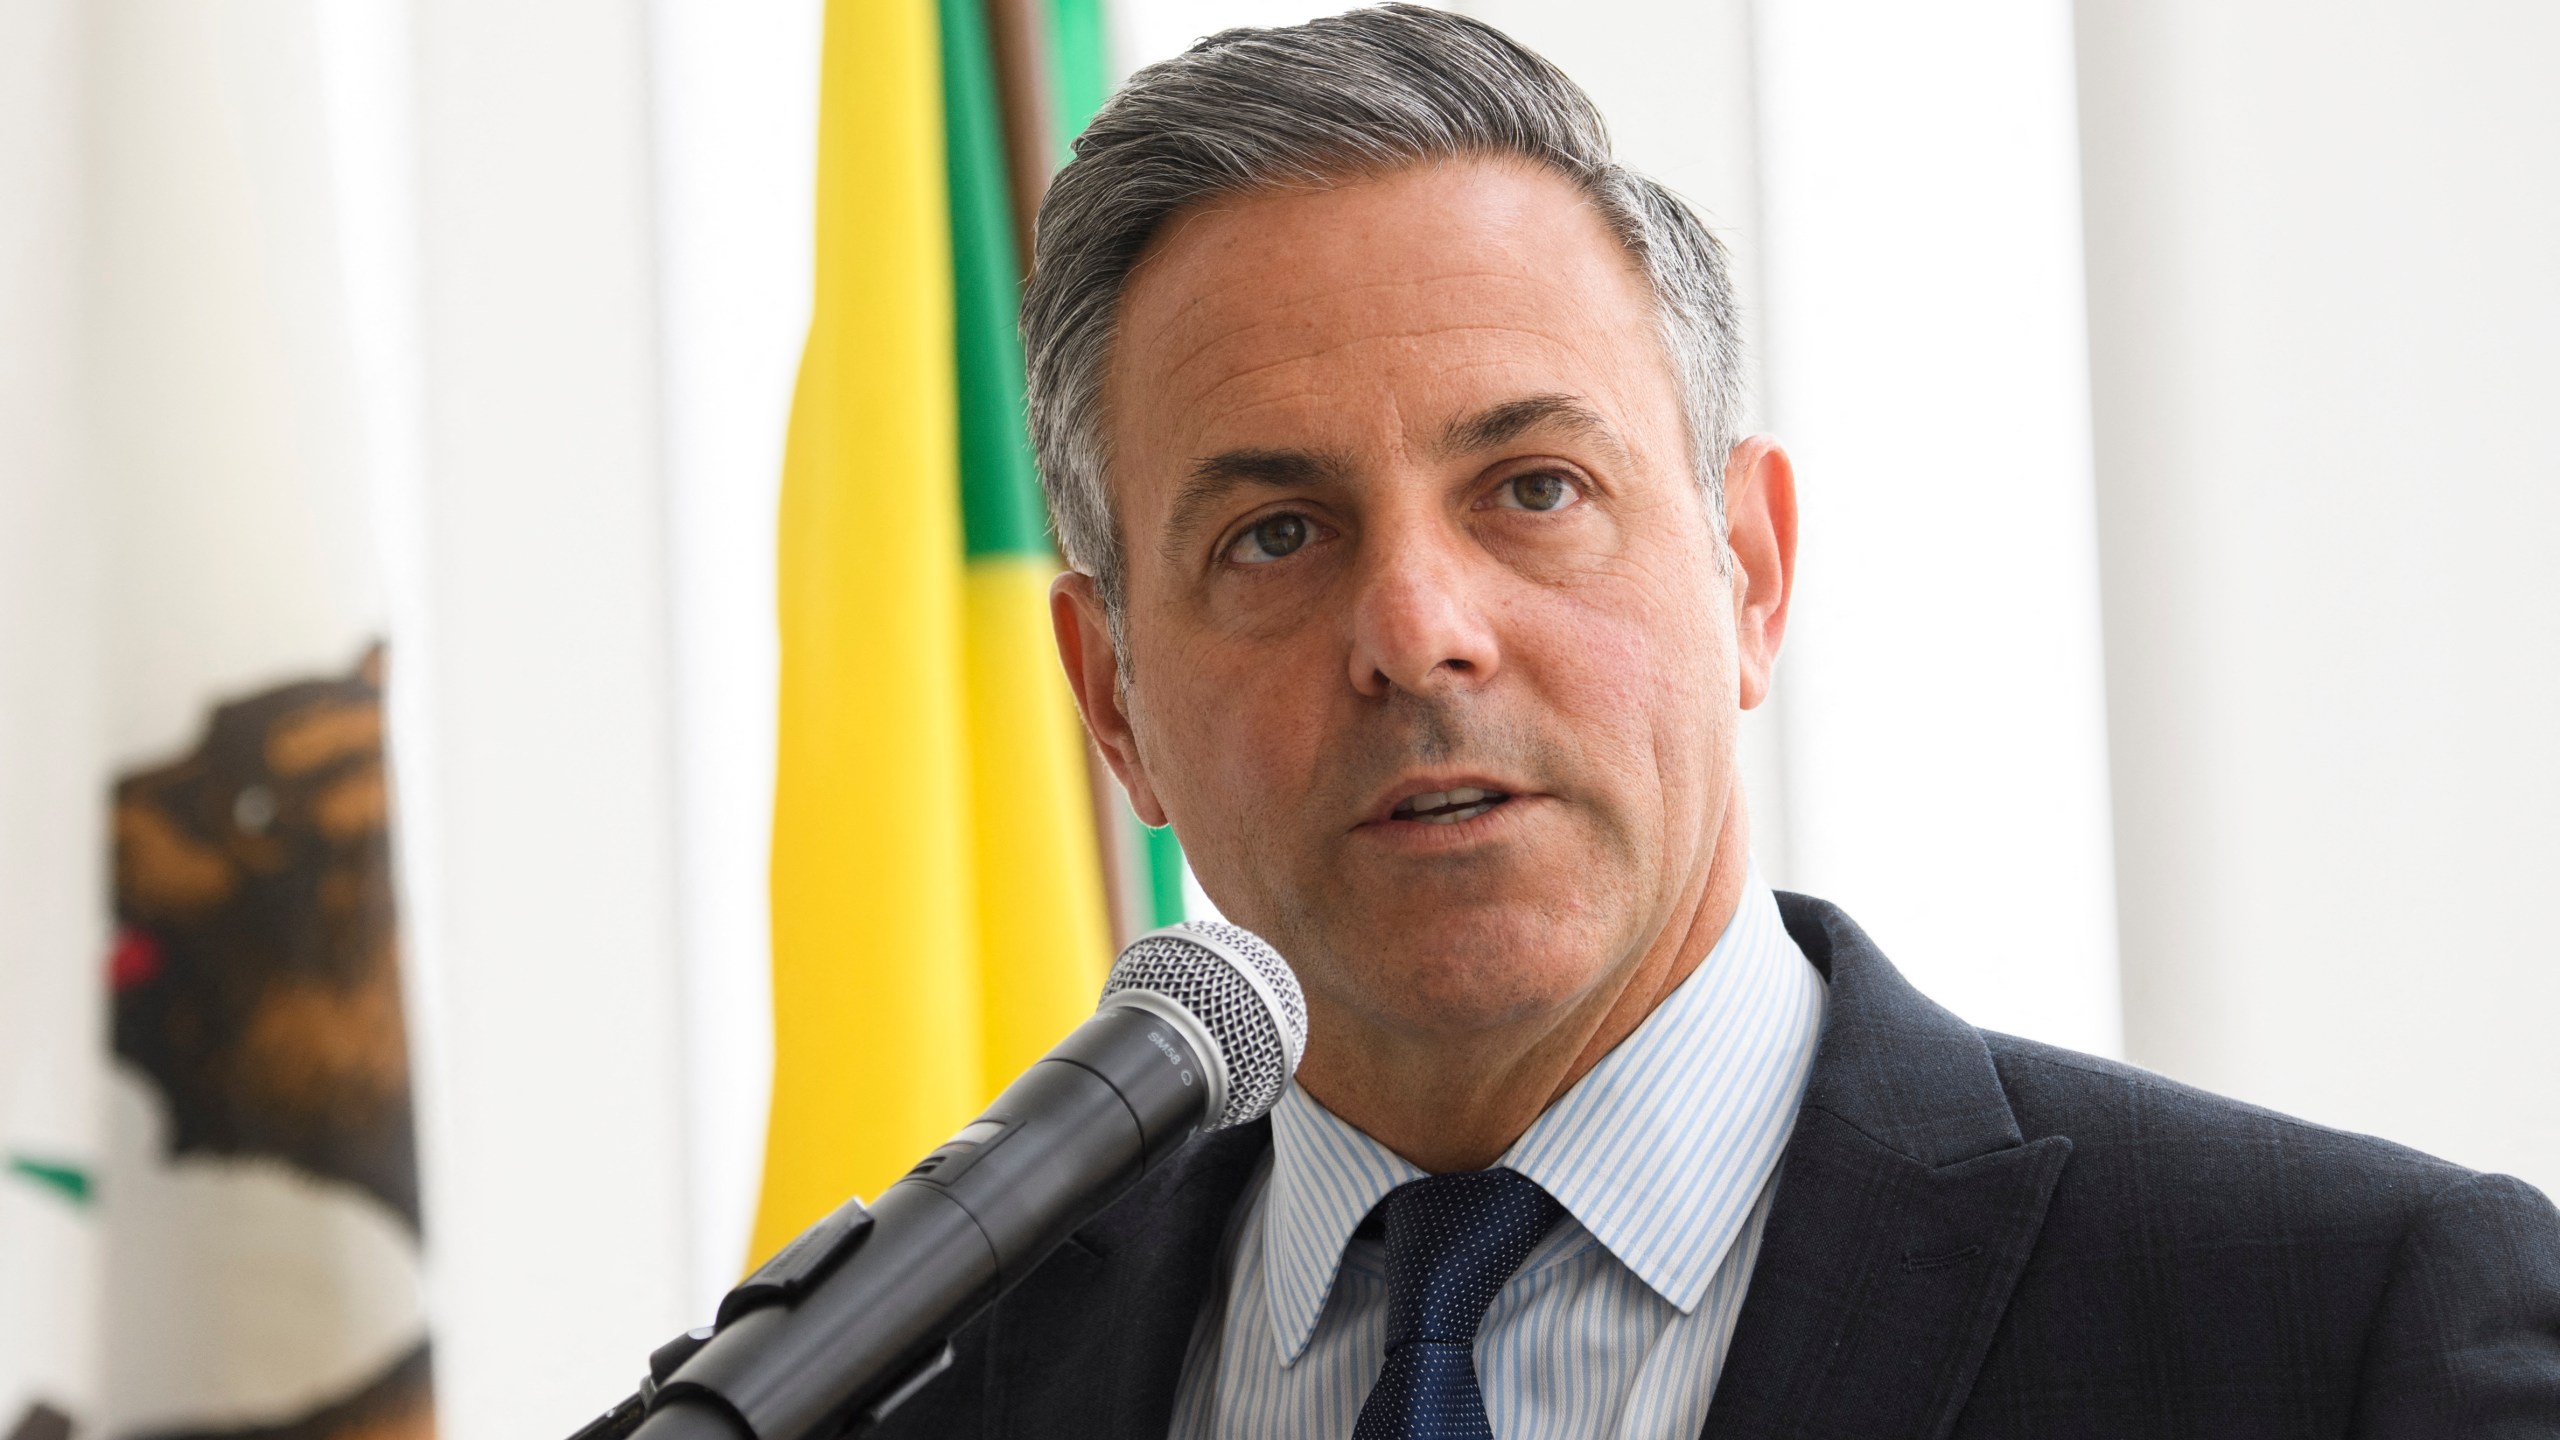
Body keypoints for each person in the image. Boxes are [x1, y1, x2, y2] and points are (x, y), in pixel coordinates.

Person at [874, 7, 2560, 1436]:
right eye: (1278, 535)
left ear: (1748, 573)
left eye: (1533, 488)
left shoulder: (2343, 1340)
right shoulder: (915, 1386)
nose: (1417, 632)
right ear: (1113, 701)